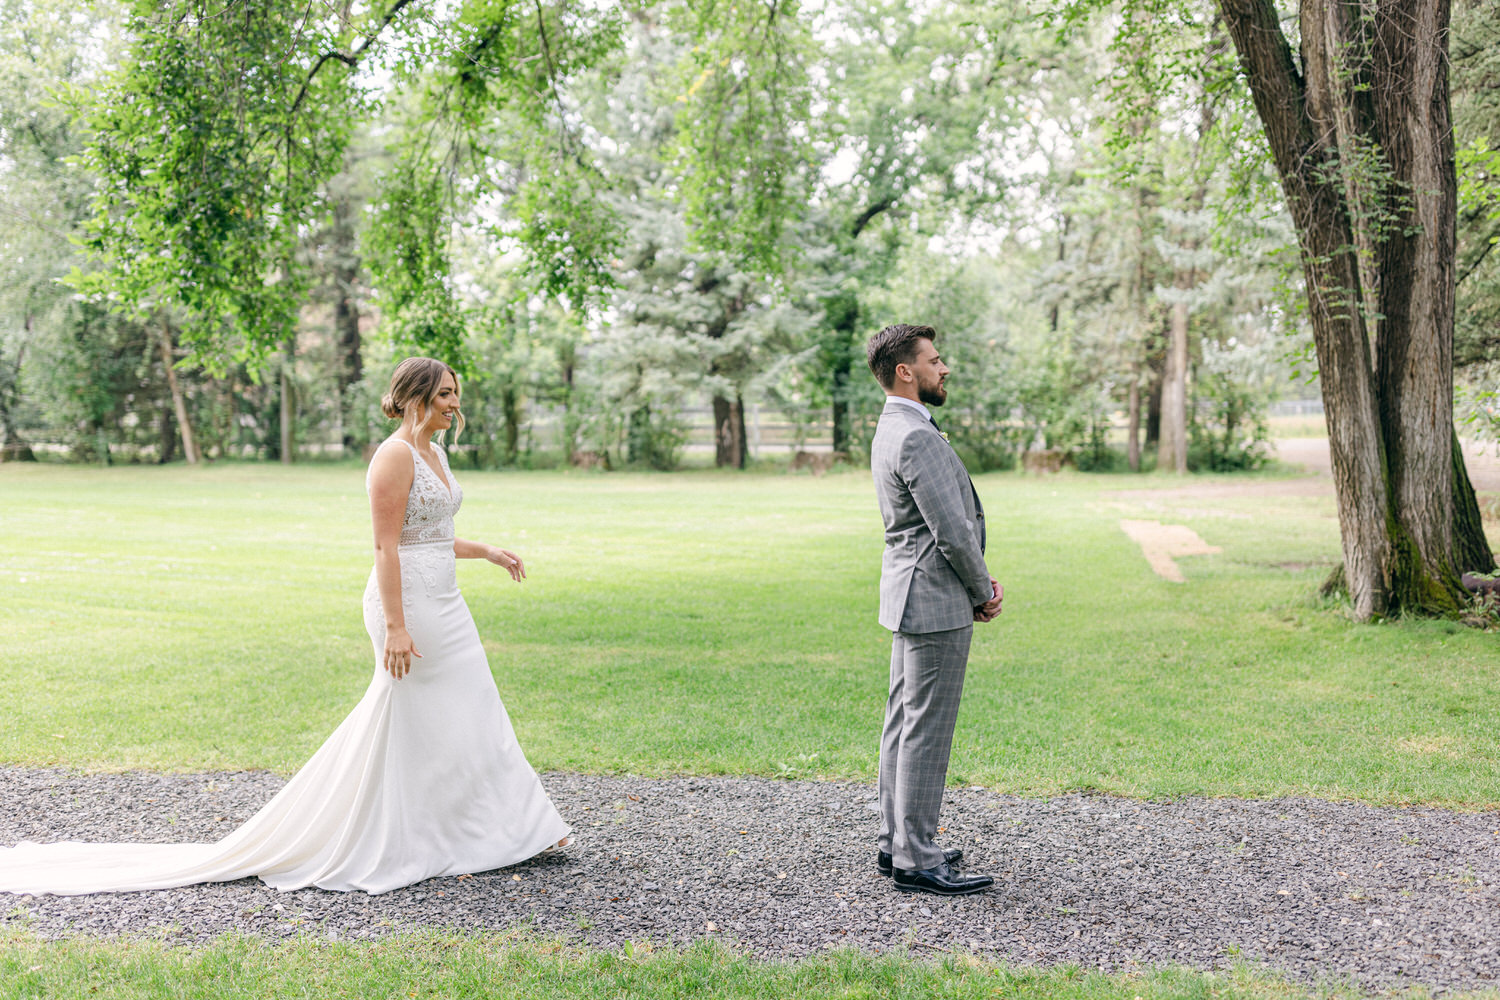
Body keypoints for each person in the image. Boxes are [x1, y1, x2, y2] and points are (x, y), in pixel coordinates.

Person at [0, 357, 570, 896]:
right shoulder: (393, 456)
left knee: (470, 707)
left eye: (455, 393)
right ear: (416, 396)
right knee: (428, 711)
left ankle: (501, 828)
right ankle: (427, 834)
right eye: (445, 393)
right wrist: (396, 627)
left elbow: (435, 534)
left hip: (445, 597)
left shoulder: (437, 454)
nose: (454, 402)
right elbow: (385, 545)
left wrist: (488, 550)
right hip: (408, 604)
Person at [866, 324, 1003, 897]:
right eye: (935, 360)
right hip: (935, 597)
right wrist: (982, 590)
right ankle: (916, 857)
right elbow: (950, 530)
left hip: (909, 594)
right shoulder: (916, 436)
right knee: (925, 729)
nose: (943, 369)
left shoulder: (893, 426)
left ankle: (896, 840)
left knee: (903, 723)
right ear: (906, 371)